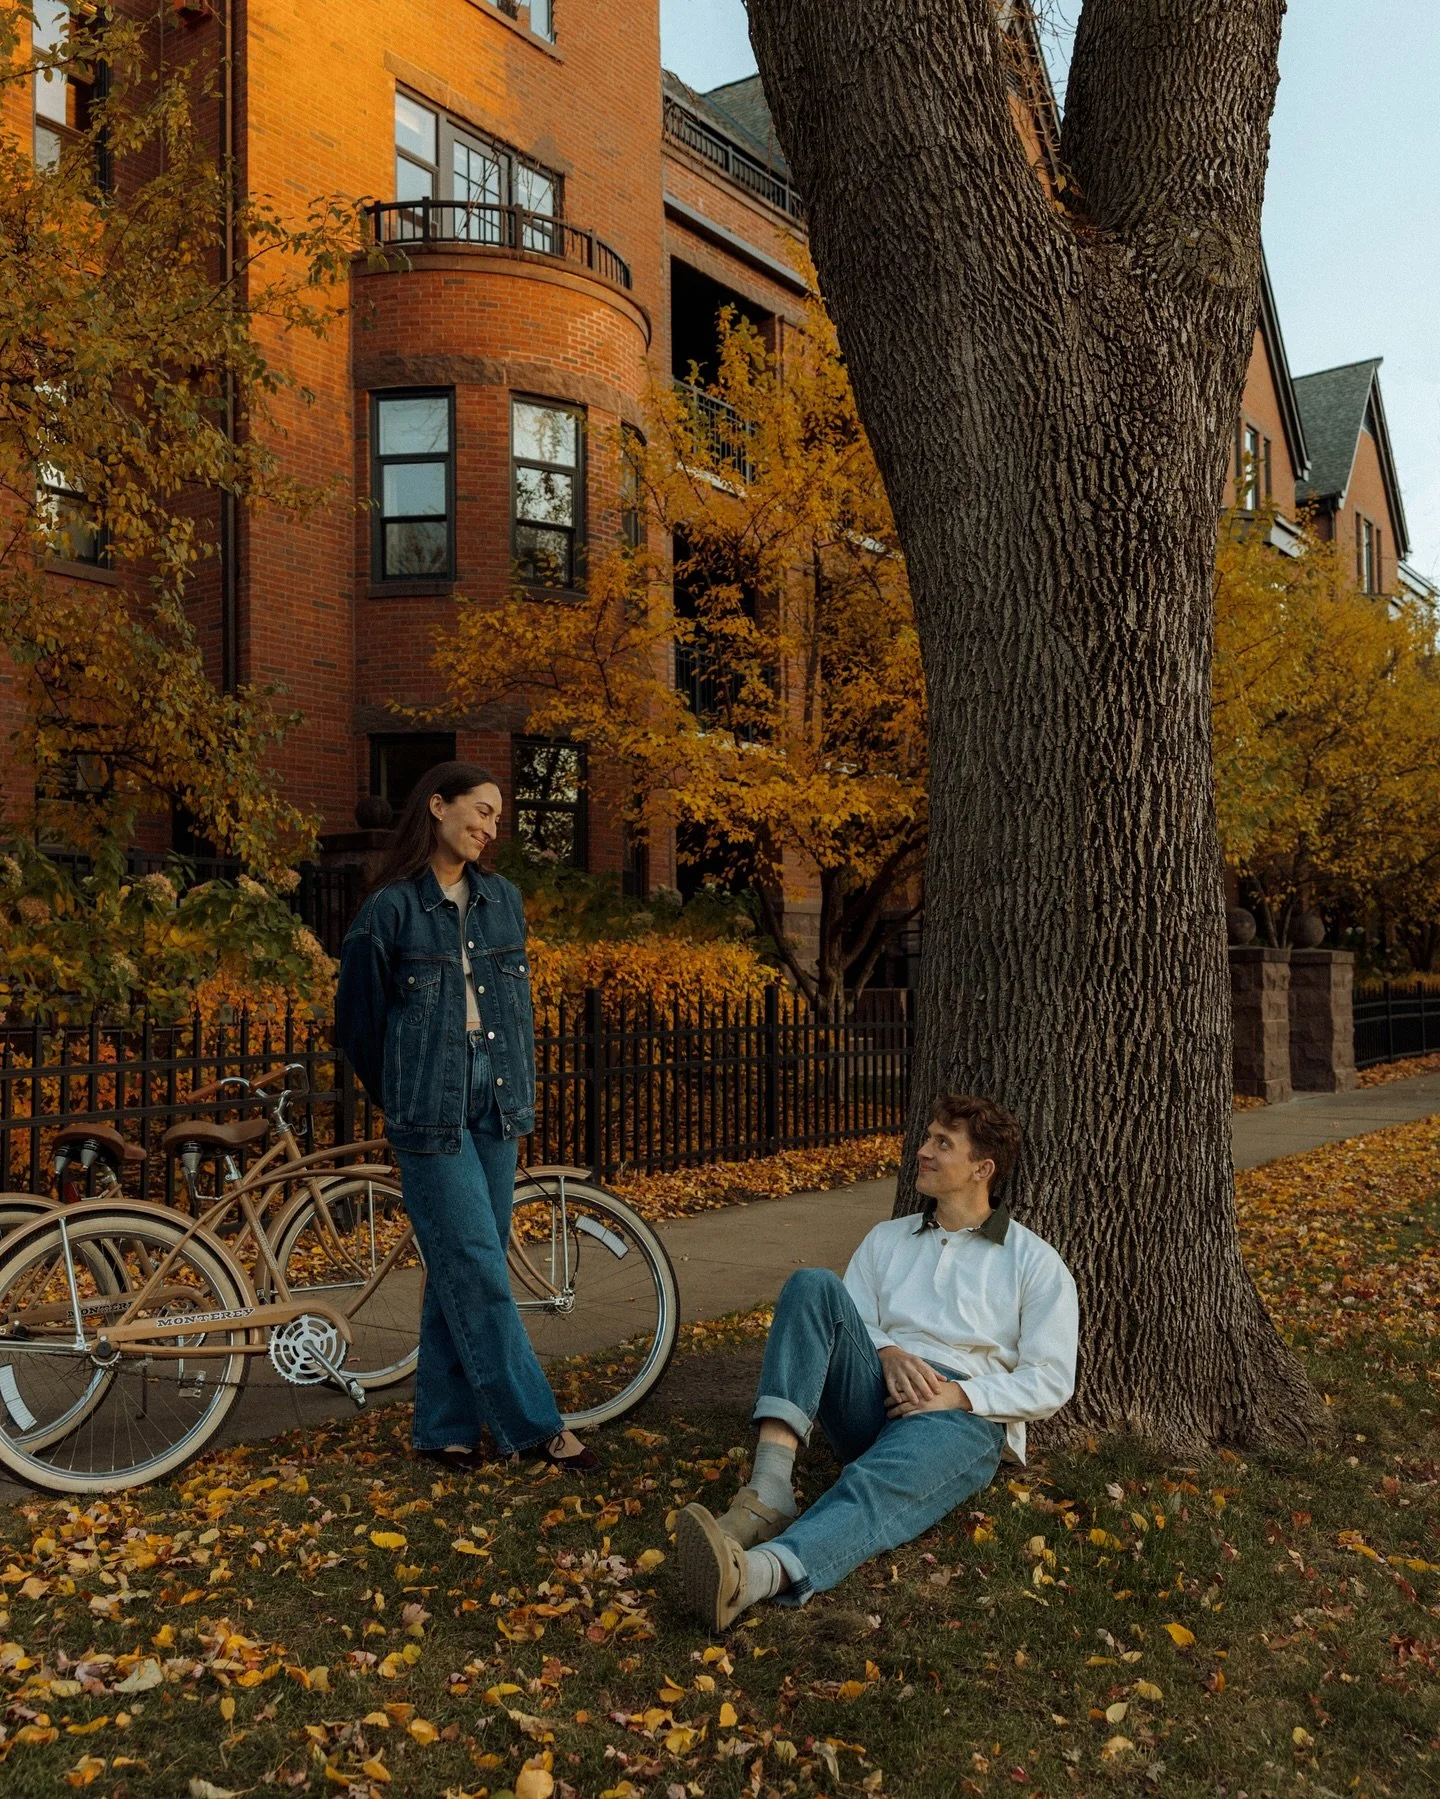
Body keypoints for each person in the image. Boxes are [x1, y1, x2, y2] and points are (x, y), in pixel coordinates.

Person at [675, 1094, 1077, 1628]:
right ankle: (768, 1492)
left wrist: (959, 1395)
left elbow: (1053, 1379)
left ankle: (752, 1576)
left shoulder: (1034, 1261)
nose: (922, 1151)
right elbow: (848, 1318)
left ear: (983, 1169)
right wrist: (887, 1353)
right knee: (812, 1285)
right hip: (872, 1392)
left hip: (962, 1416)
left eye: (942, 1144)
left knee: (873, 1486)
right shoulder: (888, 1239)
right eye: (927, 1137)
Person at [336, 761, 598, 1475]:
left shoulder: (502, 899)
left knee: (460, 1262)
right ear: (438, 805)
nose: (489, 827)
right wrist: (405, 1091)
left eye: (496, 817)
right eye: (480, 811)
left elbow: (518, 1009)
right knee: (480, 1266)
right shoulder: (389, 908)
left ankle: (445, 1430)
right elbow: (356, 1023)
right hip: (431, 1106)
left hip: (496, 1095)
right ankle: (535, 1425)